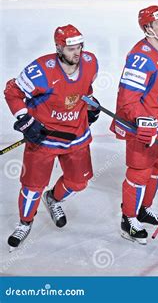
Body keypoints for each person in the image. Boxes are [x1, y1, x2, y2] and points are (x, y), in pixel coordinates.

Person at [4, 24, 99, 249]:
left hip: (76, 136)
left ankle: (53, 199)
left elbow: (84, 89)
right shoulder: (41, 70)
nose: (77, 53)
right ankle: (25, 223)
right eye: (70, 49)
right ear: (58, 48)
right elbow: (12, 91)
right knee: (32, 186)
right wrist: (26, 120)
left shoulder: (90, 62)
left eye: (79, 47)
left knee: (78, 182)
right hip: (43, 139)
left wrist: (90, 105)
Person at [110, 5, 158, 244]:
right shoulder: (140, 58)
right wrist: (143, 120)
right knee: (139, 173)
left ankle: (144, 209)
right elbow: (128, 100)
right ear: (148, 28)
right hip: (142, 127)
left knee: (157, 168)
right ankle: (128, 220)